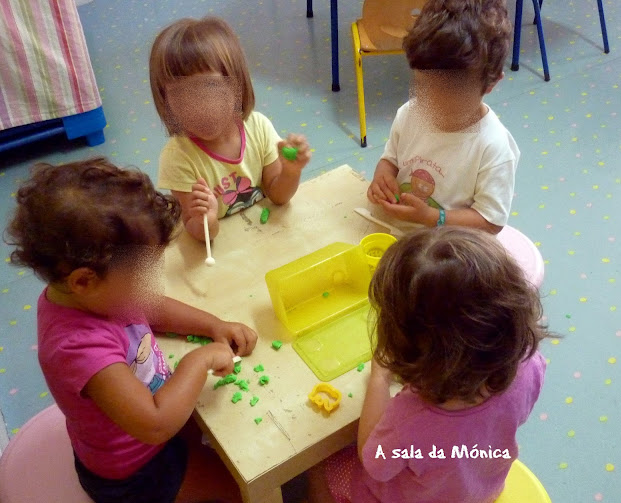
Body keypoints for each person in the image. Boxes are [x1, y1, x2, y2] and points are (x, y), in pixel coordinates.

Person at [5, 157, 257, 503]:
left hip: (157, 428)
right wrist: (199, 361)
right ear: (83, 281)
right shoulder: (76, 347)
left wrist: (214, 324)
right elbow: (155, 423)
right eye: (141, 275)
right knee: (240, 490)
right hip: (137, 472)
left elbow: (150, 306)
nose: (149, 285)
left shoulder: (93, 295)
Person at [308, 227, 549, 503]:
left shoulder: (412, 415)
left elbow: (372, 462)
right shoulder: (530, 364)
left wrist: (379, 379)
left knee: (320, 468)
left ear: (412, 348)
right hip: (484, 487)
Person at [150, 16, 311, 242]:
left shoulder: (258, 127)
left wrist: (290, 172)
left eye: (210, 88)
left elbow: (279, 197)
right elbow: (196, 231)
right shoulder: (177, 158)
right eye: (181, 96)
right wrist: (206, 221)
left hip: (268, 240)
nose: (198, 107)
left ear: (237, 85)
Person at [367, 0, 519, 234]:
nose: (434, 102)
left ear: (491, 83)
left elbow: (491, 222)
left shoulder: (494, 147)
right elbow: (391, 160)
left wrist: (433, 218)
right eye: (424, 86)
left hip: (454, 246)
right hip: (402, 233)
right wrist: (383, 176)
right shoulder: (409, 113)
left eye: (453, 92)